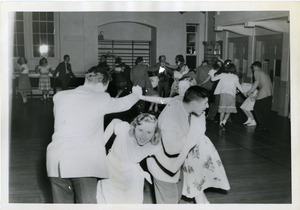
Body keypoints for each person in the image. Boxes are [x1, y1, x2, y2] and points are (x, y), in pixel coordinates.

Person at [46, 66, 143, 203]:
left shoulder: (59, 97)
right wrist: (137, 94)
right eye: (106, 87)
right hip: (82, 161)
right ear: (103, 83)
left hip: (55, 160)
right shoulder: (101, 98)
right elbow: (124, 104)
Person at [97, 113, 198, 204]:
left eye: (149, 132)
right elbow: (115, 121)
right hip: (110, 176)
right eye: (140, 130)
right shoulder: (124, 129)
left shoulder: (153, 146)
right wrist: (101, 146)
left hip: (131, 180)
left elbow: (172, 168)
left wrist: (187, 146)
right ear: (134, 127)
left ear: (155, 133)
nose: (143, 136)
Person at [145, 85, 212, 204]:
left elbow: (162, 99)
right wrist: (191, 139)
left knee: (176, 197)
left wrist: (141, 96)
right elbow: (171, 150)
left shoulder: (181, 99)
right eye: (205, 103)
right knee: (169, 201)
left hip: (175, 162)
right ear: (195, 103)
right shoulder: (171, 120)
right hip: (162, 166)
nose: (207, 106)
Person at [211, 63, 244, 131]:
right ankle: (224, 122)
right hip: (231, 95)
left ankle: (221, 123)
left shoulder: (222, 75)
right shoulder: (235, 77)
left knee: (222, 110)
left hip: (223, 94)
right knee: (229, 110)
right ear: (234, 69)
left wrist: (212, 74)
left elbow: (213, 80)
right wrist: (243, 93)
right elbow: (238, 86)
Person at [246, 61, 273, 131]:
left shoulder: (257, 72)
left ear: (255, 66)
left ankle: (262, 125)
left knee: (256, 108)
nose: (252, 69)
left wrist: (250, 91)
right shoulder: (264, 73)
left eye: (253, 67)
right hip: (269, 93)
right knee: (266, 110)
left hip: (264, 92)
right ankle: (266, 126)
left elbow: (256, 82)